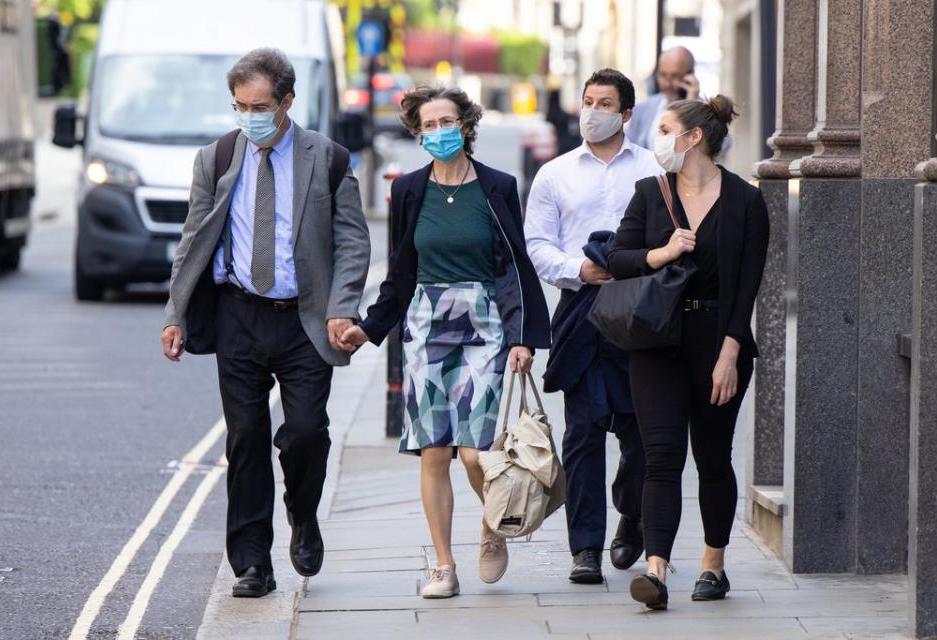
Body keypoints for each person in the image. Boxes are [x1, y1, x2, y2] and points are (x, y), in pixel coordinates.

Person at [160, 48, 371, 598]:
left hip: (304, 320)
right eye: (239, 105)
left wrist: (342, 307)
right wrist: (176, 312)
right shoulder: (217, 157)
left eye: (259, 105)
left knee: (305, 433)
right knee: (246, 438)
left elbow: (352, 241)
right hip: (238, 315)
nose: (249, 115)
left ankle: (303, 516)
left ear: (286, 102)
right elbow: (192, 238)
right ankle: (252, 562)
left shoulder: (328, 158)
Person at [339, 85, 550, 598]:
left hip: (485, 326)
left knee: (478, 454)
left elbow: (515, 269)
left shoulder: (498, 186)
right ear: (417, 131)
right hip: (426, 326)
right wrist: (367, 328)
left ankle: (491, 526)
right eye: (428, 125)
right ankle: (442, 565)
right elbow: (400, 274)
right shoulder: (408, 189)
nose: (438, 132)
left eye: (446, 122)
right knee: (434, 452)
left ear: (467, 125)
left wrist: (522, 337)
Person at [607, 95, 769, 610]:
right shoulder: (649, 193)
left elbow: (748, 288)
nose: (657, 140)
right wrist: (665, 252)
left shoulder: (746, 201)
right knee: (660, 458)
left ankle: (712, 565)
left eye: (665, 130)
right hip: (657, 341)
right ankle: (655, 571)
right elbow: (618, 258)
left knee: (714, 458)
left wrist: (730, 353)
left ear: (694, 137)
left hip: (717, 341)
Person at [524, 68, 661, 584]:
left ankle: (633, 514)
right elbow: (536, 243)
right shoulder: (555, 173)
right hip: (580, 310)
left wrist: (634, 263)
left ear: (626, 114)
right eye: (587, 101)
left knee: (641, 431)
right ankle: (585, 547)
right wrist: (576, 269)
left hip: (639, 310)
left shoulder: (653, 170)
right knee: (582, 432)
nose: (592, 112)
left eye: (605, 104)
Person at [626, 46, 699, 150]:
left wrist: (692, 106)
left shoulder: (706, 110)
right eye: (663, 75)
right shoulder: (642, 108)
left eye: (674, 76)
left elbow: (720, 148)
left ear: (690, 76)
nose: (667, 83)